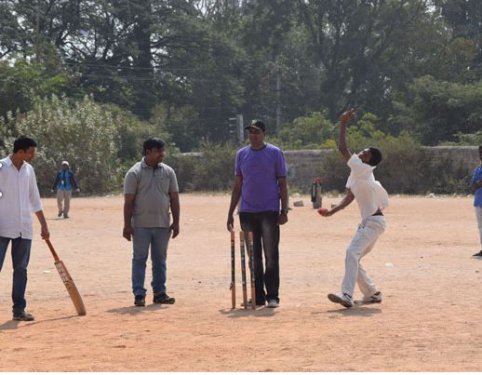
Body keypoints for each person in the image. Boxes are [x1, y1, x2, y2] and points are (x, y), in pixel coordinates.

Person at [320, 109, 389, 308]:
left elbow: (343, 149)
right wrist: (331, 212)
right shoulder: (357, 173)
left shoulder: (363, 168)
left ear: (369, 161)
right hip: (372, 223)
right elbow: (350, 197)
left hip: (374, 223)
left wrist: (342, 123)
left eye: (365, 153)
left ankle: (347, 295)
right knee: (354, 257)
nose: (361, 153)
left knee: (351, 253)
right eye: (363, 151)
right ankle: (372, 293)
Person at [226, 120, 289, 308]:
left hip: (269, 211)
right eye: (251, 132)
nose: (253, 135)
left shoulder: (275, 153)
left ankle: (273, 296)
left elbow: (283, 184)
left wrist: (284, 210)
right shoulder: (241, 155)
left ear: (264, 134)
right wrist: (230, 212)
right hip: (246, 211)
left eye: (257, 132)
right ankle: (258, 295)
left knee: (271, 255)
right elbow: (238, 185)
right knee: (253, 258)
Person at [123, 137, 180, 307]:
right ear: (148, 152)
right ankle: (139, 294)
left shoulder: (168, 172)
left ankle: (160, 293)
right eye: (159, 151)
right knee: (140, 259)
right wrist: (127, 225)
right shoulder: (134, 173)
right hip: (141, 225)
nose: (162, 154)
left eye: (163, 151)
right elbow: (129, 202)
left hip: (163, 224)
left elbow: (174, 198)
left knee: (160, 260)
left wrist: (176, 222)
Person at [0, 136, 50, 321]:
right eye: (31, 152)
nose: (33, 155)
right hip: (2, 227)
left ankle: (19, 310)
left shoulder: (29, 170)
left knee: (21, 269)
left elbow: (34, 198)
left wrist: (44, 224)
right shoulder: (2, 168)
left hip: (24, 228)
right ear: (20, 152)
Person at [471, 146, 482, 257]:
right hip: (478, 202)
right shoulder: (478, 169)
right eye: (480, 153)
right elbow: (473, 186)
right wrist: (479, 183)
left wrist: (478, 183)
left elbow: (476, 184)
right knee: (480, 226)